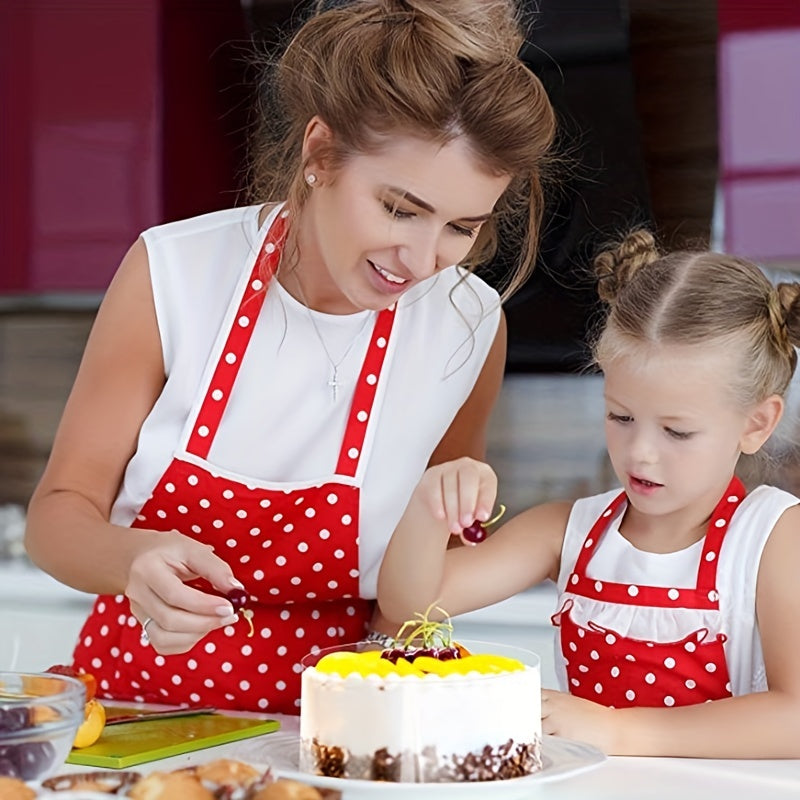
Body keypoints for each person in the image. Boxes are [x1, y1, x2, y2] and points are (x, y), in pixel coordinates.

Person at [23, 0, 556, 715]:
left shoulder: (467, 326)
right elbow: (58, 517)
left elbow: (426, 586)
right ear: (319, 154)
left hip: (337, 736)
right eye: (399, 209)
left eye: (461, 227)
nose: (424, 259)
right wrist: (132, 561)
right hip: (129, 721)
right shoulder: (176, 274)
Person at [378, 230, 800, 758]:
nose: (640, 453)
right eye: (620, 417)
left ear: (756, 424)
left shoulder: (774, 537)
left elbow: (795, 716)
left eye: (677, 432)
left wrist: (620, 730)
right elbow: (411, 603)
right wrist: (429, 503)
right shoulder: (569, 530)